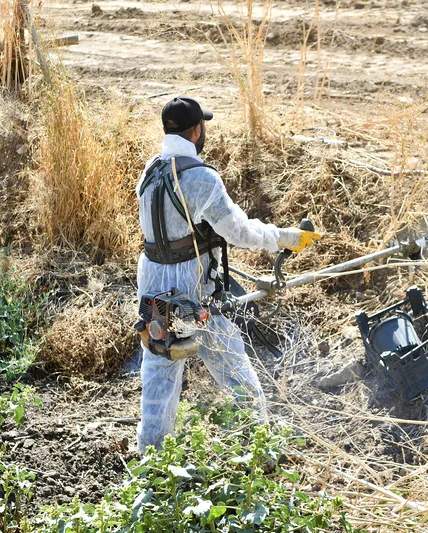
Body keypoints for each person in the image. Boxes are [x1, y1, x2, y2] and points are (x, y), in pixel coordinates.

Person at [135, 96, 320, 453]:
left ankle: (150, 461)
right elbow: (238, 231)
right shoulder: (200, 178)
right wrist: (283, 237)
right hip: (195, 293)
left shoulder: (150, 171)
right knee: (236, 374)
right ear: (197, 131)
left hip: (155, 292)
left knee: (158, 374)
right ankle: (259, 450)